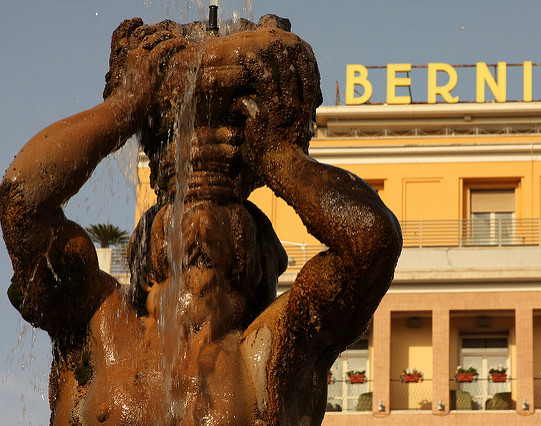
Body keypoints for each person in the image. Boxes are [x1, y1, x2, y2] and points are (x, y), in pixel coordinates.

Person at [0, 15, 401, 425]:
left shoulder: (270, 357)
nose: (197, 227)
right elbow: (22, 201)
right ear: (147, 257)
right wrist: (123, 108)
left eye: (222, 227)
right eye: (173, 226)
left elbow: (370, 240)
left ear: (254, 263)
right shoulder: (97, 333)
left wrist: (280, 158)